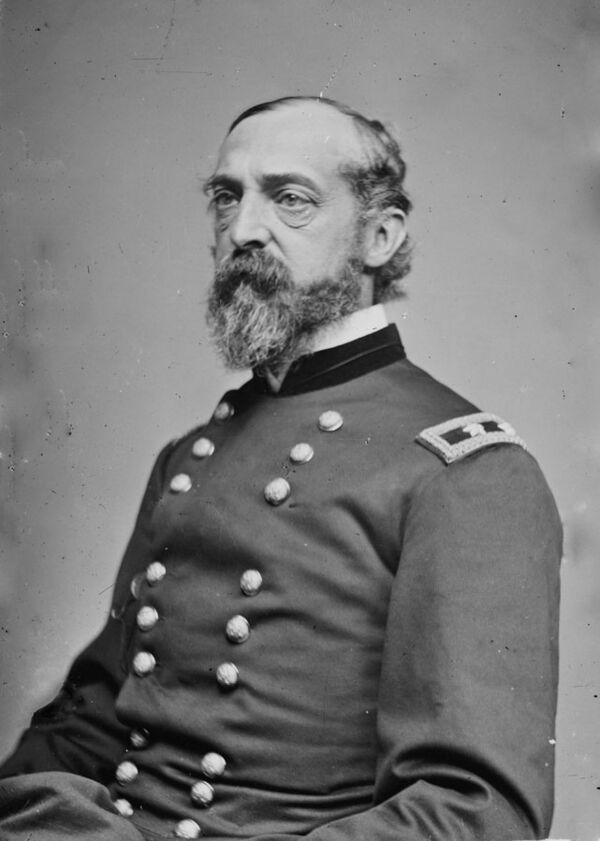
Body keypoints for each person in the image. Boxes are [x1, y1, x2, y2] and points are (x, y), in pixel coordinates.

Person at [0, 96, 561, 841]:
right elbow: (92, 719)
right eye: (226, 197)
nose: (243, 230)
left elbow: (476, 811)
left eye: (290, 199)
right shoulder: (192, 454)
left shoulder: (466, 472)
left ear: (380, 236)